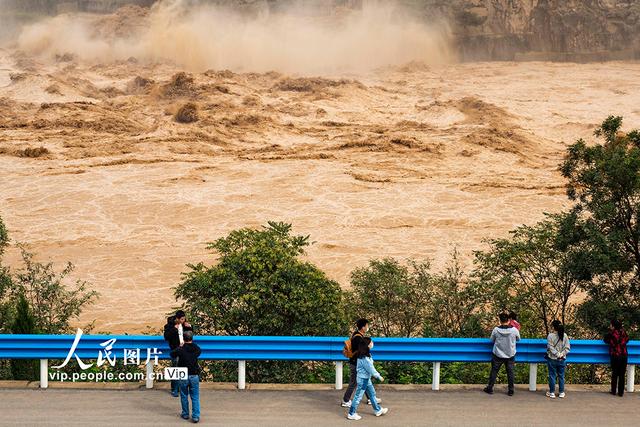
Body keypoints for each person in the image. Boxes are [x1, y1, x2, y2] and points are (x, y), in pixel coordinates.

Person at [341, 319, 381, 408]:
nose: (368, 327)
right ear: (363, 327)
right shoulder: (358, 338)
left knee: (365, 380)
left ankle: (371, 398)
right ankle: (345, 400)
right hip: (356, 363)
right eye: (367, 325)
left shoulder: (356, 334)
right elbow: (361, 351)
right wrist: (369, 346)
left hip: (356, 363)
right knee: (354, 382)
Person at [347, 338, 389, 421]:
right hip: (363, 380)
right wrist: (379, 377)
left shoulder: (364, 355)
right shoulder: (365, 358)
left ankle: (378, 410)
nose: (372, 343)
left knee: (372, 394)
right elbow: (371, 369)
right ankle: (351, 413)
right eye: (371, 342)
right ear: (367, 345)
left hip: (366, 378)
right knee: (358, 397)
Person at [484, 312, 520, 396]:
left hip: (498, 354)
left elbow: (492, 340)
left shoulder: (496, 330)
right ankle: (511, 390)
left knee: (494, 371)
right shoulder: (514, 330)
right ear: (508, 320)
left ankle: (490, 388)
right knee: (510, 372)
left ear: (500, 321)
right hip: (510, 354)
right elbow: (518, 339)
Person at [171, 330, 201, 423]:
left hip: (183, 373)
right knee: (195, 396)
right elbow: (198, 352)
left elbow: (172, 354)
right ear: (192, 338)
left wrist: (180, 346)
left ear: (183, 338)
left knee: (184, 395)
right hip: (194, 374)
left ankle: (185, 414)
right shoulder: (196, 348)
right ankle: (195, 416)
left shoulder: (181, 349)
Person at [164, 310, 193, 397]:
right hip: (176, 349)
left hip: (185, 350)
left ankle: (183, 388)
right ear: (177, 319)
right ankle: (174, 389)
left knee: (185, 369)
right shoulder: (169, 325)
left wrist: (190, 327)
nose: (183, 321)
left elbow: (190, 335)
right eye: (181, 319)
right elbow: (166, 337)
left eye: (184, 319)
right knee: (175, 369)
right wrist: (174, 329)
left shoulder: (185, 325)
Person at [604, 319, 629, 397]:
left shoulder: (611, 334)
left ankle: (614, 391)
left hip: (615, 356)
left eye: (611, 325)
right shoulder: (623, 332)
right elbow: (627, 340)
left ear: (613, 326)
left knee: (615, 373)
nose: (610, 326)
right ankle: (621, 392)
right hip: (624, 355)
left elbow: (606, 340)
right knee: (622, 374)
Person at [546, 319, 570, 399]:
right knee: (561, 376)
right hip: (562, 359)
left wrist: (557, 354)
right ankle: (561, 392)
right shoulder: (565, 335)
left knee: (552, 375)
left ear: (553, 327)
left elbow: (550, 347)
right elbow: (567, 348)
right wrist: (561, 354)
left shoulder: (550, 336)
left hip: (552, 358)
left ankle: (552, 392)